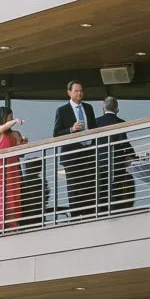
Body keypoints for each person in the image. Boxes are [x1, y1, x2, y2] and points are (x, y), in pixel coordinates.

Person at [53, 80, 100, 217]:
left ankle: (90, 216)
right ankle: (76, 218)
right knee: (74, 190)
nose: (79, 93)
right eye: (76, 91)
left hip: (88, 153)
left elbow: (94, 129)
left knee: (89, 188)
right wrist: (71, 129)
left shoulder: (88, 107)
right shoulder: (62, 110)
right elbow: (56, 134)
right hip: (72, 156)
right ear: (69, 93)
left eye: (81, 91)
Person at [96, 95, 138, 211]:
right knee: (115, 190)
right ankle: (113, 212)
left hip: (99, 164)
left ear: (103, 109)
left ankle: (101, 213)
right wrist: (133, 156)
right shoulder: (120, 123)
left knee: (101, 190)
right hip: (116, 164)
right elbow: (124, 143)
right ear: (117, 109)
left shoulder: (95, 122)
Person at [0, 108, 26, 231]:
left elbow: (21, 153)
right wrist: (15, 121)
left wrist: (24, 144)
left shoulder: (15, 134)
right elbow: (2, 127)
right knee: (5, 192)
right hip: (3, 167)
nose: (11, 119)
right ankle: (4, 224)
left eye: (12, 117)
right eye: (9, 117)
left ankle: (15, 223)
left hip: (14, 165)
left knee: (15, 191)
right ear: (4, 118)